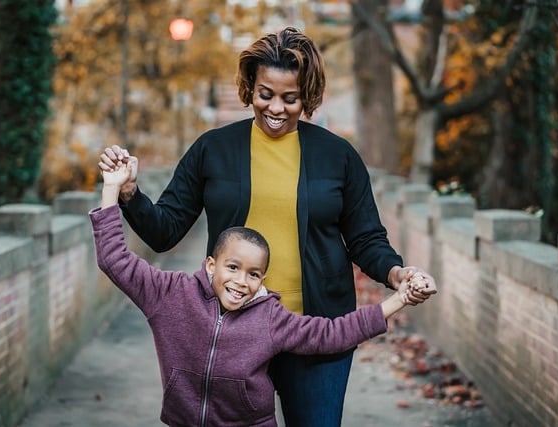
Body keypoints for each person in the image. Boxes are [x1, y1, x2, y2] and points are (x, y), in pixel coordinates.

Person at [98, 26, 437, 426]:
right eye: (266, 94)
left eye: (290, 98)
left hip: (314, 331)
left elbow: (365, 238)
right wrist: (130, 195)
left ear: (306, 96)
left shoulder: (337, 157)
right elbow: (164, 230)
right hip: (233, 335)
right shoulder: (213, 149)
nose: (276, 108)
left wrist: (397, 274)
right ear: (250, 89)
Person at [90, 159, 434, 426]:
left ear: (262, 279)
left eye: (254, 274)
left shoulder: (270, 318)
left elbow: (333, 334)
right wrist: (112, 189)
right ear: (211, 264)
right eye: (233, 267)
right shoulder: (171, 294)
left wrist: (398, 299)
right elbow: (113, 259)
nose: (242, 281)